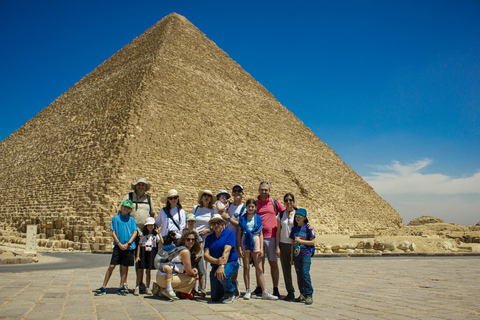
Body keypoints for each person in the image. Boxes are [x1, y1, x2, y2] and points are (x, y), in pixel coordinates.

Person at [119, 178, 156, 292]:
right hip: (130, 232)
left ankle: (139, 283)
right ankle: (124, 283)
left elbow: (153, 214)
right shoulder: (129, 197)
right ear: (135, 186)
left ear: (145, 187)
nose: (141, 187)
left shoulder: (149, 199)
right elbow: (122, 212)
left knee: (140, 259)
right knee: (125, 259)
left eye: (143, 185)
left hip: (144, 234)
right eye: (139, 185)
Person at [94, 200, 138, 296]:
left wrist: (128, 243)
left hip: (129, 247)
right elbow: (113, 232)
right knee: (112, 266)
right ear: (121, 207)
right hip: (118, 246)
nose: (126, 209)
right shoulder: (115, 219)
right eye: (125, 207)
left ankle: (121, 286)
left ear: (130, 210)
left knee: (124, 267)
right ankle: (103, 286)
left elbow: (135, 232)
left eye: (128, 208)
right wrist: (119, 243)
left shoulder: (132, 220)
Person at [237, 199, 278, 300]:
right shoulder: (242, 219)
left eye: (252, 206)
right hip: (245, 241)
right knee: (246, 267)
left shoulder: (258, 218)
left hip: (256, 241)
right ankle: (247, 290)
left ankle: (264, 290)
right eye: (249, 206)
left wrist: (261, 249)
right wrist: (239, 247)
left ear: (255, 208)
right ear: (246, 207)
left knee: (259, 268)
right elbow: (239, 233)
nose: (251, 208)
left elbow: (260, 233)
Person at [254, 181, 285, 297]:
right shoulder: (255, 204)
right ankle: (260, 287)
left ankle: (275, 288)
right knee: (259, 265)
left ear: (269, 191)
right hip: (258, 237)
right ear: (259, 190)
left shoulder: (274, 202)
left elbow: (285, 213)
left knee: (273, 263)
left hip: (272, 237)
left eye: (266, 190)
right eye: (262, 189)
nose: (264, 192)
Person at [204, 214, 239, 304]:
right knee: (215, 297)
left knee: (224, 275)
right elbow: (206, 255)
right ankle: (228, 285)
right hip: (216, 265)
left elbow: (226, 251)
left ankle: (231, 292)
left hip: (230, 263)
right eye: (214, 223)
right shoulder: (209, 238)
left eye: (218, 222)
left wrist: (222, 266)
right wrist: (217, 261)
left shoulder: (229, 234)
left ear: (223, 223)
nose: (216, 225)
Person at [221, 184, 245, 298]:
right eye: (234, 191)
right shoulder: (228, 206)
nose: (236, 193)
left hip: (237, 238)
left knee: (234, 262)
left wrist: (228, 218)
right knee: (225, 260)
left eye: (239, 191)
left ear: (242, 193)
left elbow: (242, 225)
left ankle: (233, 284)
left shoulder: (244, 208)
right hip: (226, 238)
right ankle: (227, 284)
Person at [290, 208, 315, 305]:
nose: (298, 217)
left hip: (306, 254)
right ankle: (302, 294)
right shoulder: (294, 229)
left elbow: (313, 242)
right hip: (297, 255)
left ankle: (309, 294)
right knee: (299, 275)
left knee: (305, 274)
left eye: (300, 216)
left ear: (305, 218)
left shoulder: (308, 228)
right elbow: (292, 244)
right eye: (296, 215)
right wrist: (291, 258)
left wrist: (301, 241)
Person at [276, 193, 297, 301]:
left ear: (293, 201)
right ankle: (290, 291)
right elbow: (278, 231)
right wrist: (277, 246)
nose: (288, 202)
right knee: (286, 269)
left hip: (296, 244)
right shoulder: (280, 214)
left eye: (290, 200)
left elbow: (305, 226)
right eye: (286, 200)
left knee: (299, 269)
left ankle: (304, 292)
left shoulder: (298, 214)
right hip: (283, 244)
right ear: (284, 202)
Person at [134, 217, 162, 295]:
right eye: (148, 225)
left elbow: (161, 242)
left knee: (148, 271)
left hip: (151, 253)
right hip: (143, 252)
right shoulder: (143, 234)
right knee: (140, 271)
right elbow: (139, 245)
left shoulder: (155, 235)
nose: (150, 227)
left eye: (151, 225)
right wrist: (137, 256)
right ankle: (137, 286)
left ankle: (147, 287)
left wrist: (159, 233)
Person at [183, 214, 206, 296]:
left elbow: (200, 244)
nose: (191, 223)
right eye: (189, 221)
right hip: (188, 255)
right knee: (190, 272)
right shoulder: (184, 232)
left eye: (192, 221)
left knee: (200, 272)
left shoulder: (196, 232)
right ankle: (191, 289)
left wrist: (199, 254)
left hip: (196, 255)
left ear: (195, 222)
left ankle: (202, 288)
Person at [179, 230, 204, 298]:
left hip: (180, 275)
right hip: (173, 276)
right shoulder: (184, 250)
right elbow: (188, 271)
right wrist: (193, 271)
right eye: (188, 239)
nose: (191, 241)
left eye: (193, 240)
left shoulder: (192, 250)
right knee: (192, 277)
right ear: (184, 240)